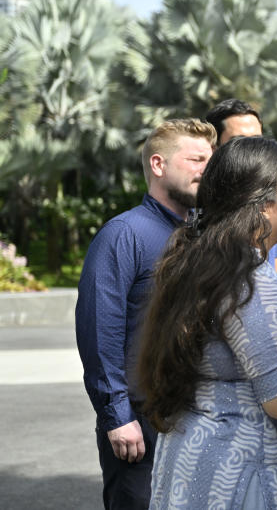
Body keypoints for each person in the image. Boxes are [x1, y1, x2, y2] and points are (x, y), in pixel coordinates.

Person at [138, 136, 277, 509]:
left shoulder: (205, 264)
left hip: (197, 470)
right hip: (244, 481)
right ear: (264, 206)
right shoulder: (250, 283)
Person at [76, 118, 217, 509]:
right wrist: (117, 416)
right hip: (140, 425)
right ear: (158, 165)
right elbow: (98, 331)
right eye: (196, 159)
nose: (207, 169)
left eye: (211, 159)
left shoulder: (204, 238)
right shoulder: (123, 235)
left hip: (197, 420)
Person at [204, 98, 277, 271]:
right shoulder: (193, 213)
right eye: (239, 141)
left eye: (257, 140)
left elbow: (273, 280)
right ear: (214, 148)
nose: (251, 149)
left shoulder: (271, 212)